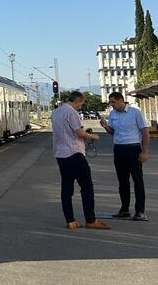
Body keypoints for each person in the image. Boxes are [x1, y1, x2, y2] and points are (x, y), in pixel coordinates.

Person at [51, 91, 110, 230]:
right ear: (77, 100)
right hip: (74, 153)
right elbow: (79, 132)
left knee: (66, 187)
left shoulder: (57, 112)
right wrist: (93, 136)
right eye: (81, 104)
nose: (80, 107)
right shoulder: (71, 112)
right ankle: (91, 220)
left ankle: (70, 220)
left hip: (61, 154)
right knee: (87, 187)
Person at [100, 92, 149, 221]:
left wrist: (144, 151)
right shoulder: (113, 114)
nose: (111, 105)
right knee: (123, 182)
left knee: (137, 181)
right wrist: (105, 126)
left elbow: (145, 132)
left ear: (121, 100)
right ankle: (124, 209)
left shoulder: (135, 113)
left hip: (133, 149)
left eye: (113, 102)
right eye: (110, 103)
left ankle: (140, 211)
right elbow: (113, 131)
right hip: (119, 149)